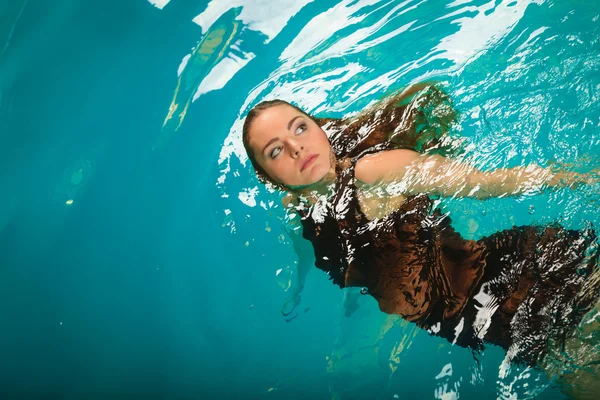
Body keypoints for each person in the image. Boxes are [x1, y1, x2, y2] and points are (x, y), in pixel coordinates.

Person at [241, 83, 600, 386]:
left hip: (516, 285)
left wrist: (579, 178)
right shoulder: (298, 206)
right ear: (269, 178)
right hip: (480, 315)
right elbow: (314, 253)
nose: (296, 147)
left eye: (300, 128)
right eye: (275, 150)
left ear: (318, 127)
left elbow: (483, 184)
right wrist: (298, 287)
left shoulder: (373, 172)